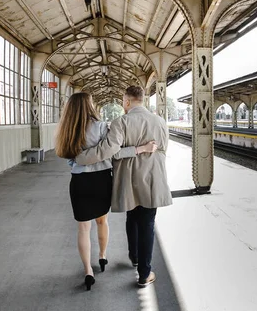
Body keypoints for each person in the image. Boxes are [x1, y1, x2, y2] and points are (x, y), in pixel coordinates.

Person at [54, 92, 157, 291]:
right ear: (89, 105)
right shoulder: (101, 127)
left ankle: (87, 271)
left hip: (79, 182)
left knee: (83, 228)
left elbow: (67, 157)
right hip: (101, 180)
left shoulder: (66, 130)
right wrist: (141, 149)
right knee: (102, 221)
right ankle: (102, 256)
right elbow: (115, 153)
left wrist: (78, 161)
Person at [75, 86, 172, 287]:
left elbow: (110, 152)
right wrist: (145, 153)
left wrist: (81, 158)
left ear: (126, 101)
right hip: (152, 179)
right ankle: (144, 273)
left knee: (132, 216)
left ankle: (134, 256)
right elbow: (162, 150)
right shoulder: (160, 121)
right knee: (147, 223)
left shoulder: (121, 122)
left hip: (128, 180)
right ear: (142, 100)